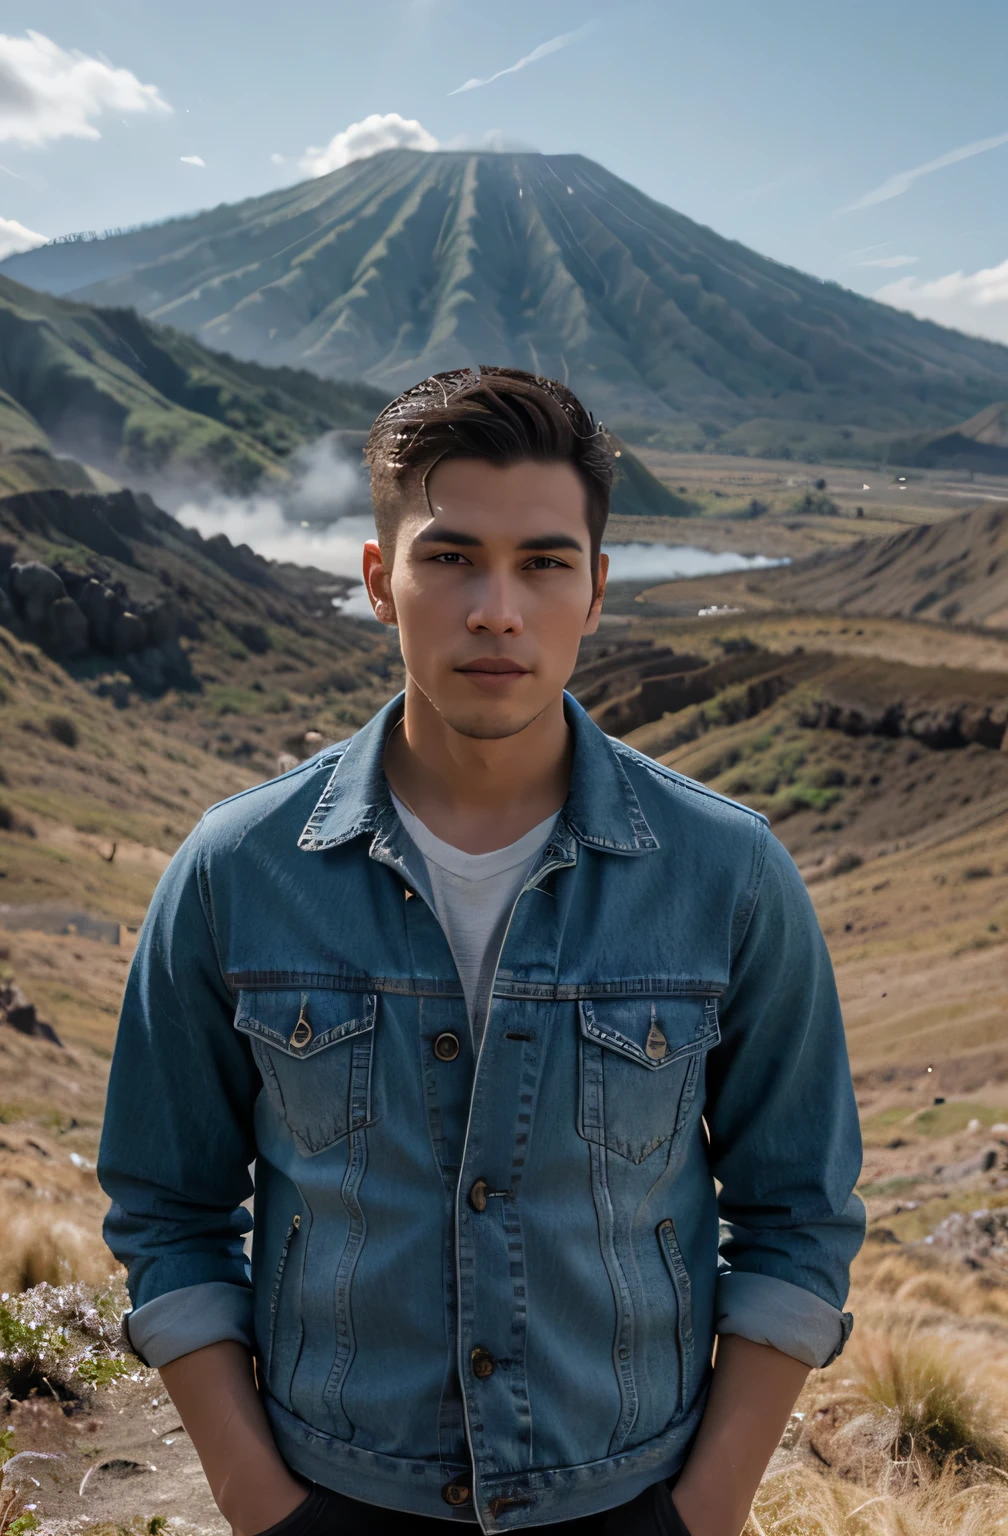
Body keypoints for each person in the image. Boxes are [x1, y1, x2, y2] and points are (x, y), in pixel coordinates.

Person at [98, 366, 865, 1536]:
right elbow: (166, 1207)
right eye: (449, 557)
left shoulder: (728, 875)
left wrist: (698, 1514)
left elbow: (800, 1215)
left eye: (544, 564)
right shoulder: (235, 870)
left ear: (597, 591)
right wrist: (262, 1505)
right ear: (377, 581)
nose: (496, 609)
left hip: (630, 1501)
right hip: (332, 1497)